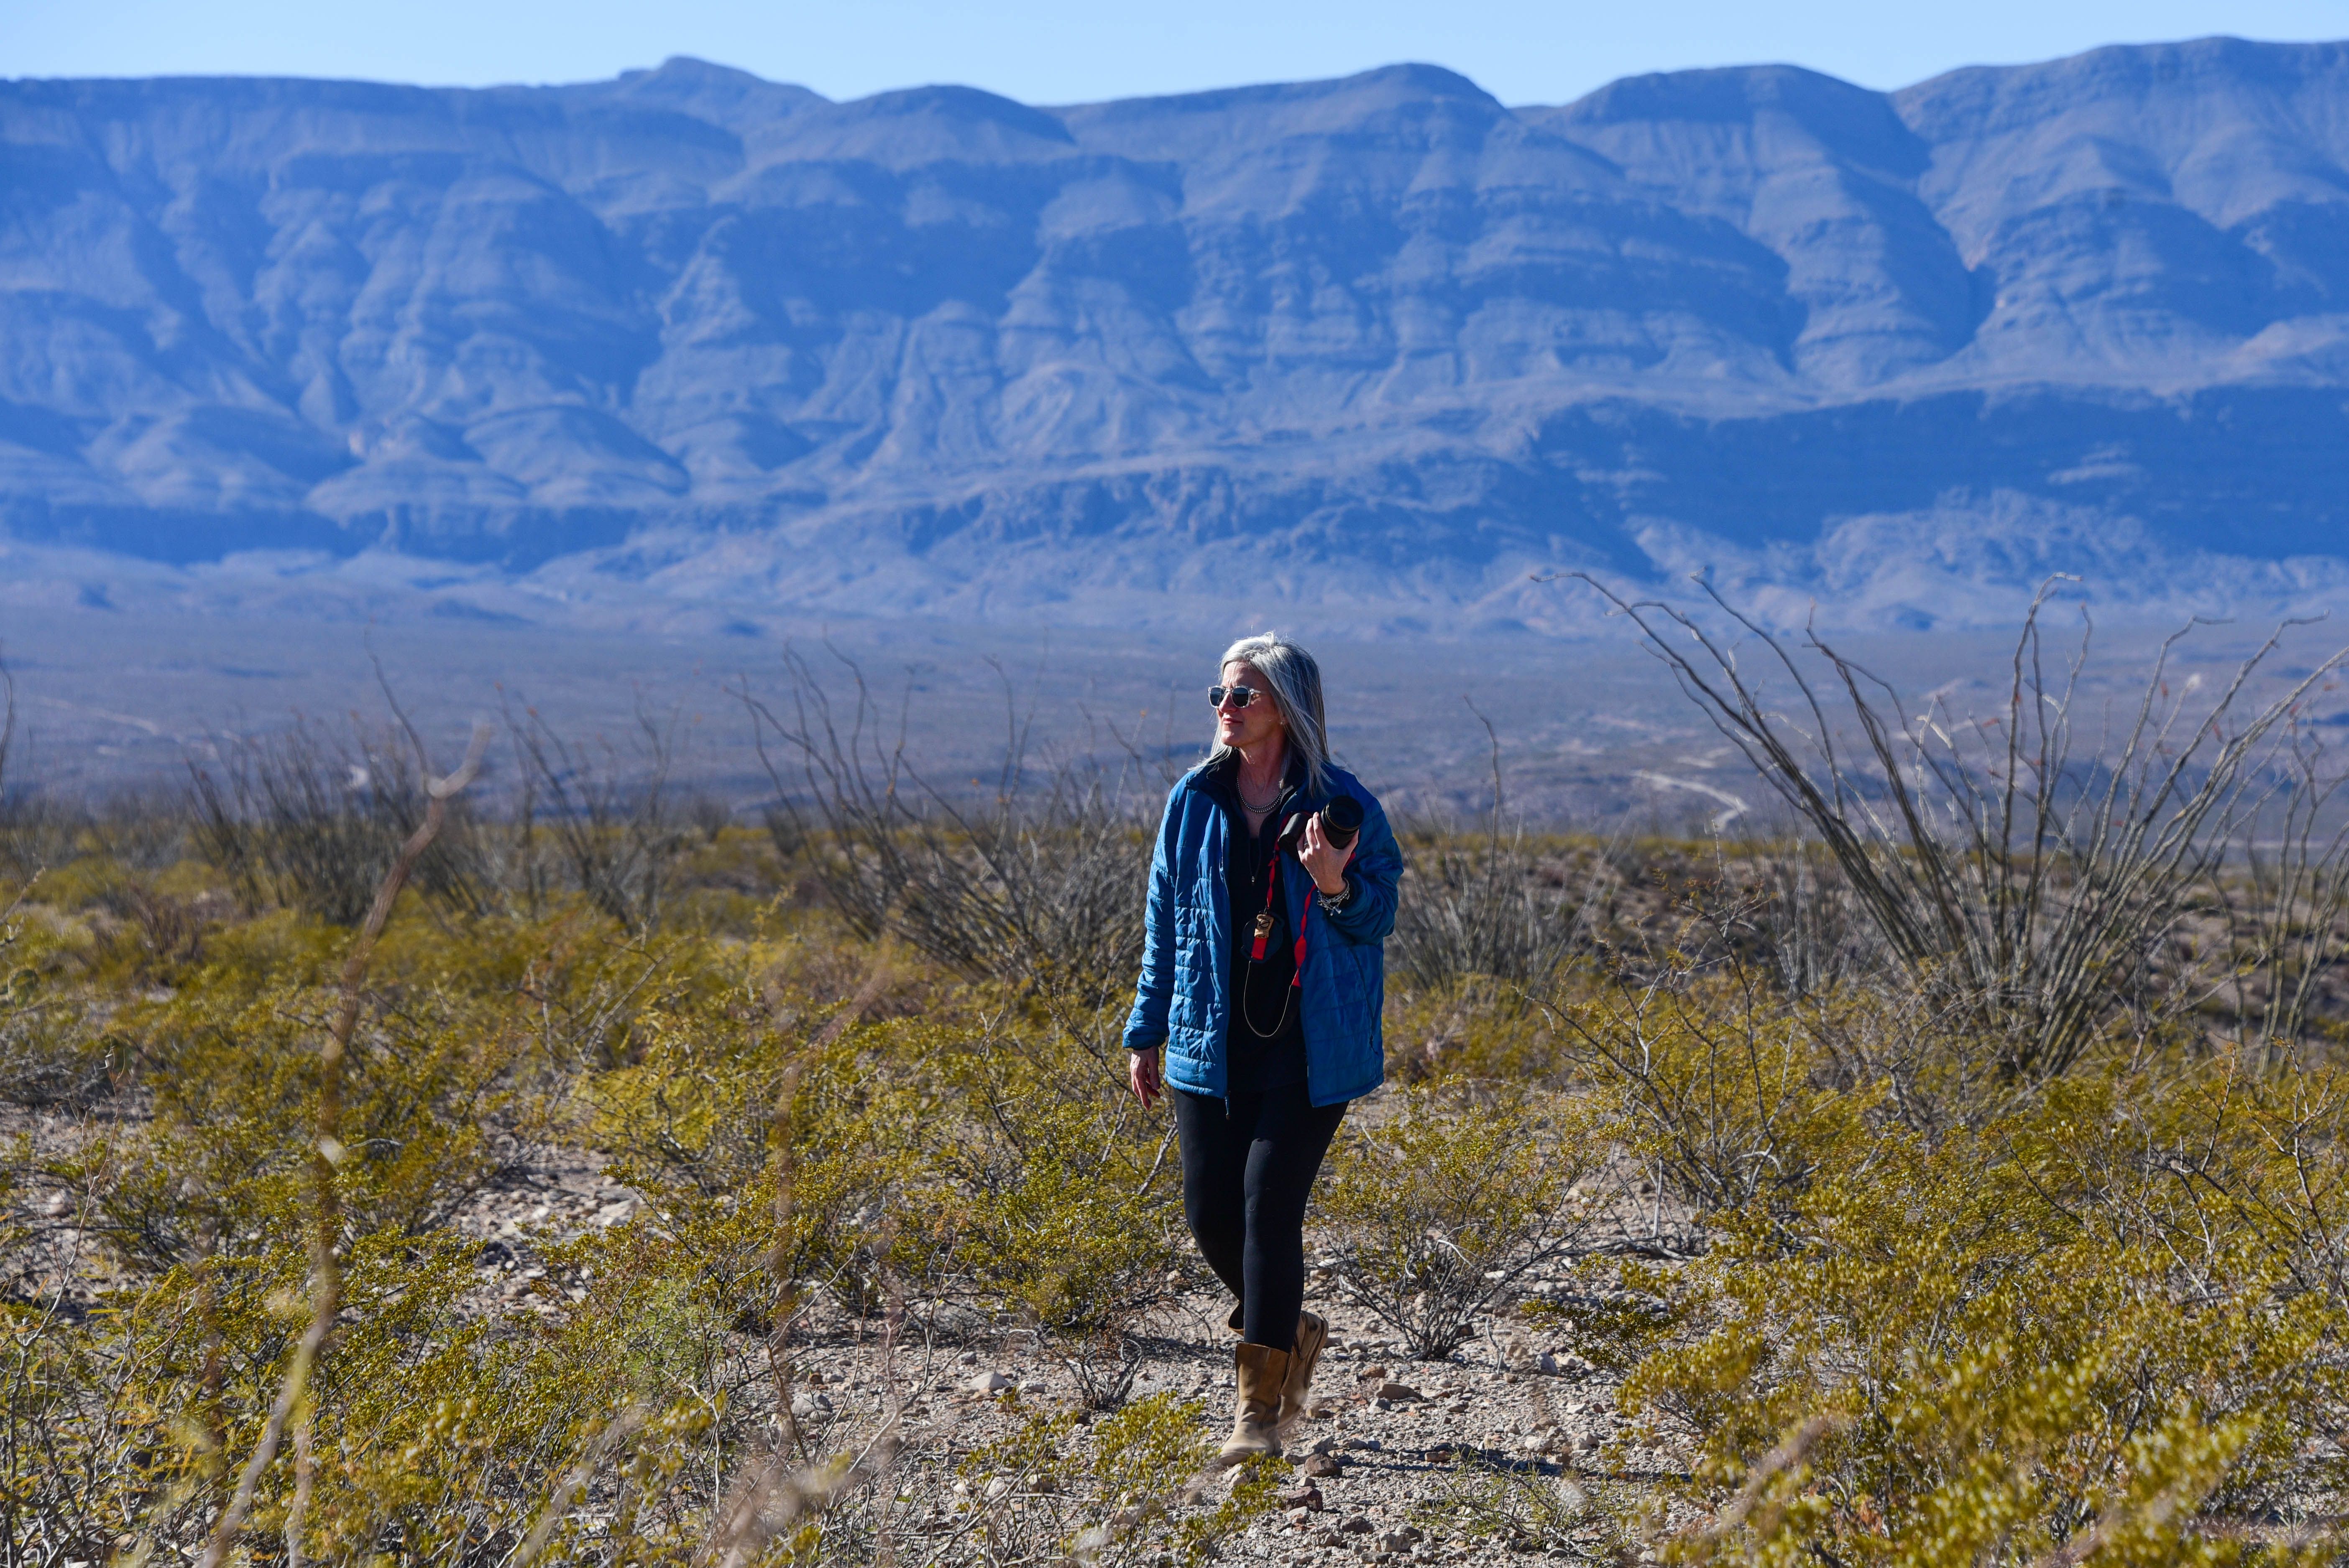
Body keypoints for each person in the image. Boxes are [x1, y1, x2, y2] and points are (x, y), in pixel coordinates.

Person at [1123, 632, 1401, 1464]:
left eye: (1243, 694)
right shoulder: (1194, 798)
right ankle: (1287, 1328)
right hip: (1208, 1038)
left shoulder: (1340, 803)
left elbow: (1378, 915)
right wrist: (1145, 1028)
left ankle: (1259, 1415)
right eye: (1219, 694)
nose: (1226, 708)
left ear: (1286, 705)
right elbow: (1164, 916)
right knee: (1209, 1213)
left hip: (1309, 1048)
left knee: (1267, 1208)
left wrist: (1334, 883)